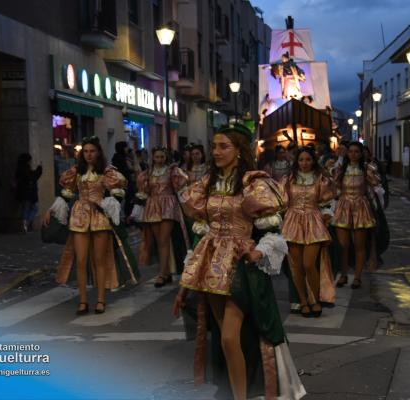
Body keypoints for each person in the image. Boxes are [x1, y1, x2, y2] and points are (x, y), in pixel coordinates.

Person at [173, 123, 305, 400]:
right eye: (215, 146)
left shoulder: (253, 184)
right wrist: (188, 276)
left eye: (224, 146)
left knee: (230, 338)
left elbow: (271, 230)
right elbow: (202, 229)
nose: (216, 151)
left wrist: (259, 251)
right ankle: (237, 393)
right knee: (226, 339)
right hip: (210, 264)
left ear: (239, 150)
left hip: (240, 265)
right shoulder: (207, 183)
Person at [42, 136, 134, 315]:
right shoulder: (76, 172)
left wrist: (110, 203)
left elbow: (118, 192)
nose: (89, 154)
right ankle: (83, 301)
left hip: (99, 216)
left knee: (100, 260)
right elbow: (67, 193)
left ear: (98, 152)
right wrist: (51, 210)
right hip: (79, 216)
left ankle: (100, 300)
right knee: (81, 261)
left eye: (92, 151)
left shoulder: (107, 172)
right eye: (85, 151)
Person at [281, 147, 336, 317]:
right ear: (297, 162)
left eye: (308, 160)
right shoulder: (288, 180)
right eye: (301, 160)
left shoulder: (321, 179)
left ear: (313, 161)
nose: (304, 163)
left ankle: (316, 300)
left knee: (308, 264)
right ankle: (303, 301)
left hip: (314, 222)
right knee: (296, 267)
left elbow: (326, 202)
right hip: (292, 222)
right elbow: (281, 201)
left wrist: (327, 214)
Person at [136, 147, 189, 287]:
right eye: (157, 157)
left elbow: (182, 184)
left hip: (168, 206)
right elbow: (145, 190)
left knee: (164, 240)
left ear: (166, 158)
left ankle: (161, 274)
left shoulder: (172, 171)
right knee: (159, 241)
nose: (159, 159)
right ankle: (166, 272)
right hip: (153, 205)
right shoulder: (148, 173)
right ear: (153, 158)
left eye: (162, 157)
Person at [332, 142, 381, 289]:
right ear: (347, 153)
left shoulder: (367, 169)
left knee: (359, 245)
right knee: (343, 246)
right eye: (350, 151)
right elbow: (334, 186)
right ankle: (343, 274)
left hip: (361, 207)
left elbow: (376, 184)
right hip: (343, 206)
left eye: (356, 152)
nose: (353, 154)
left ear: (361, 154)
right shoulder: (341, 169)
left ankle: (358, 277)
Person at [15, 153, 43, 233]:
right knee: (34, 208)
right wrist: (39, 169)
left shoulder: (19, 168)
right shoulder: (25, 168)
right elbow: (33, 176)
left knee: (25, 209)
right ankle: (26, 223)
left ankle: (25, 223)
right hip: (28, 192)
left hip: (23, 192)